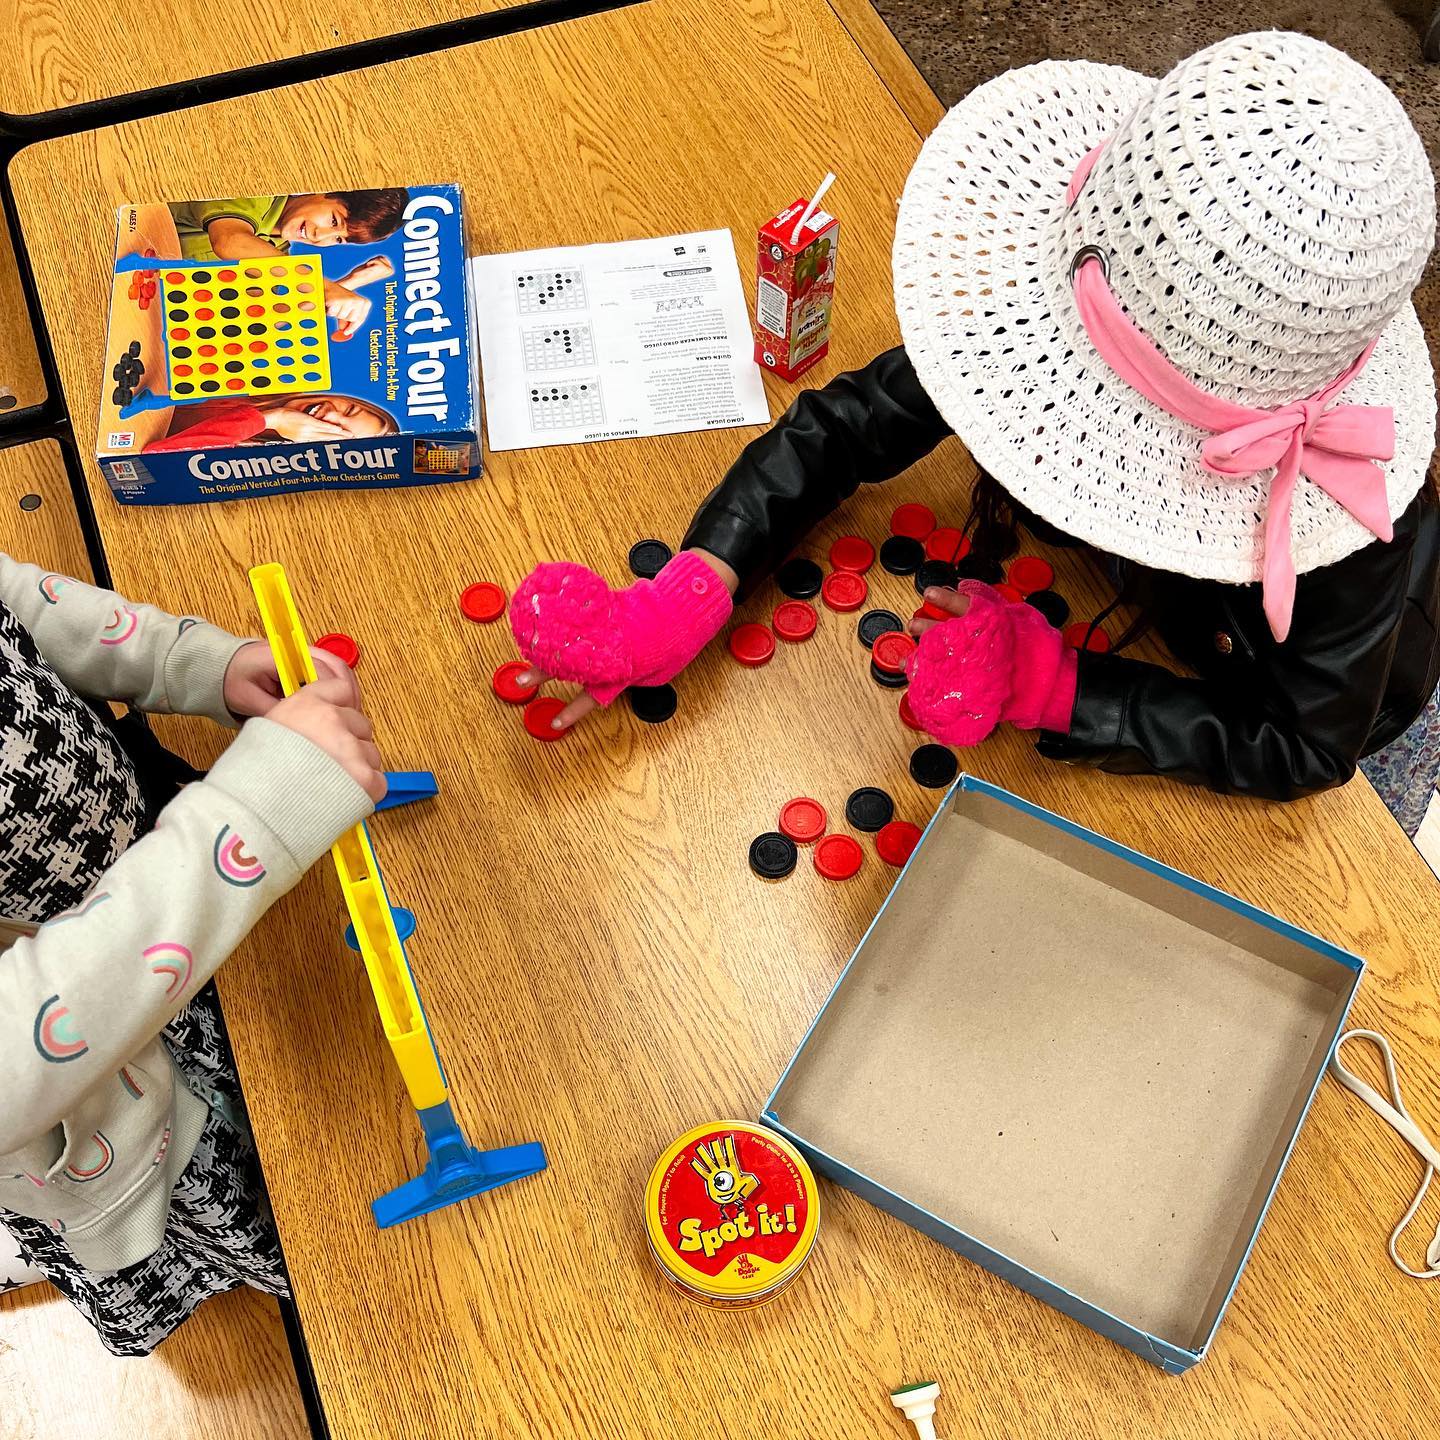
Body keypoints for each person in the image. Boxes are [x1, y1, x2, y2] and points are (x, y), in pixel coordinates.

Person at [505, 32, 1440, 826]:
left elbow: (1304, 744)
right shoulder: (1086, 285)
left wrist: (1060, 688)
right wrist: (696, 583)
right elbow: (842, 427)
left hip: (1287, 671)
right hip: (1117, 579)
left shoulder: (1352, 522)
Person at [0, 556, 386, 1354]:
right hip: (111, 1079)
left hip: (171, 844)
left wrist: (185, 661)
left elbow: (14, 603)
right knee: (299, 1193)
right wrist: (248, 820)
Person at [143, 392, 398, 452]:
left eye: (339, 431)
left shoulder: (248, 454)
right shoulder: (278, 374)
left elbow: (152, 455)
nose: (331, 416)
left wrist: (271, 419)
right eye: (349, 409)